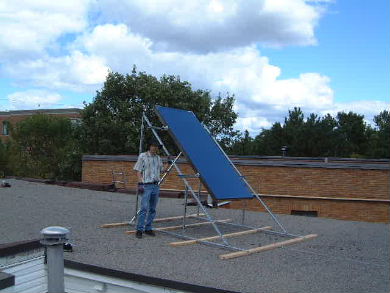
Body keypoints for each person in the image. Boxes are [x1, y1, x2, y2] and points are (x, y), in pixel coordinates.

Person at [133, 140, 164, 239]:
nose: (155, 148)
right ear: (150, 146)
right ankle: (139, 229)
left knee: (152, 209)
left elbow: (161, 170)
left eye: (157, 147)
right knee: (144, 208)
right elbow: (138, 170)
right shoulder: (143, 156)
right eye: (154, 146)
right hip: (146, 185)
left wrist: (168, 163)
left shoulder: (158, 158)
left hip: (156, 185)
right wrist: (140, 183)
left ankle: (148, 228)